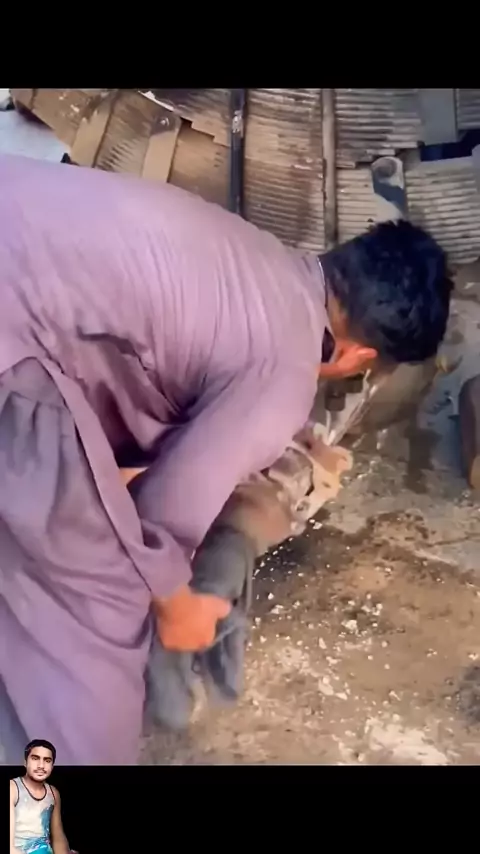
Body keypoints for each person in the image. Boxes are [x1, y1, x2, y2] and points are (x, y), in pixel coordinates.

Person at [0, 154, 452, 765]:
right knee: (99, 607)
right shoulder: (285, 371)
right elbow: (159, 516)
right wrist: (180, 608)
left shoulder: (250, 253)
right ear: (358, 356)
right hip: (11, 333)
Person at [10, 740, 72, 854]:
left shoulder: (53, 793)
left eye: (47, 761)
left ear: (52, 766)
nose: (41, 766)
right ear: (25, 762)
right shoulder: (13, 788)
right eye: (35, 759)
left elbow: (58, 838)